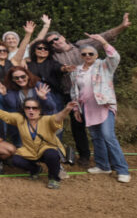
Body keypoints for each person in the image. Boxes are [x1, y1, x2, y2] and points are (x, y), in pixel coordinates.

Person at [49, 14, 130, 168]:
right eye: (51, 42)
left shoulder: (81, 45)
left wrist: (122, 26)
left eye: (56, 38)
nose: (55, 42)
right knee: (79, 127)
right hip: (71, 93)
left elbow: (105, 36)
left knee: (104, 131)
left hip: (96, 94)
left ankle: (113, 161)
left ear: (63, 37)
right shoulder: (52, 56)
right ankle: (85, 156)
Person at [0, 91, 79, 189]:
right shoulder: (20, 119)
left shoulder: (46, 119)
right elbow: (2, 114)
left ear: (39, 110)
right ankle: (35, 169)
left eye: (34, 108)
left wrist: (67, 109)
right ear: (24, 109)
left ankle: (54, 178)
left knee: (51, 154)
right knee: (16, 160)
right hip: (30, 151)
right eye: (27, 108)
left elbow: (57, 118)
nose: (31, 110)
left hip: (47, 149)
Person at [70, 33, 130, 183]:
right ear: (81, 56)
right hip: (87, 108)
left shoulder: (104, 65)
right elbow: (74, 91)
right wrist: (76, 109)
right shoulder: (76, 70)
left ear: (96, 55)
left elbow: (115, 57)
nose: (87, 56)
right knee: (96, 137)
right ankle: (103, 165)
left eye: (91, 53)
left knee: (108, 136)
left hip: (104, 106)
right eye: (84, 54)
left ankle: (122, 170)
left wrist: (103, 41)